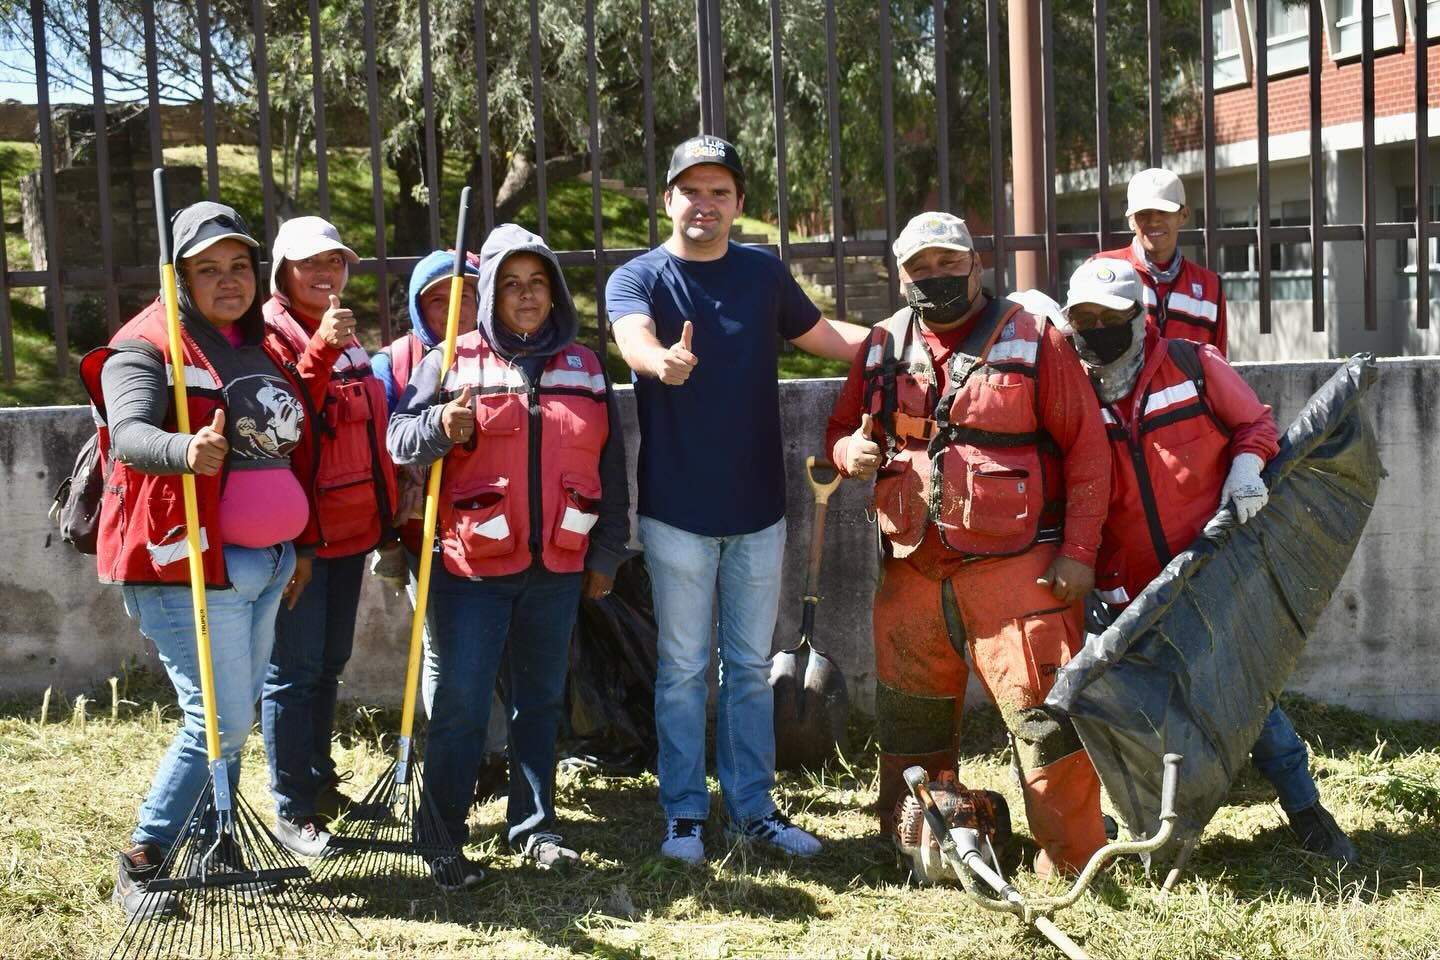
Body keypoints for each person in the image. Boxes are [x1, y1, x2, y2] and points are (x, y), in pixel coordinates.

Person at [606, 134, 869, 865]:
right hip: (676, 514)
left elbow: (823, 337)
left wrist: (898, 339)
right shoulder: (637, 277)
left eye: (720, 192)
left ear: (740, 205)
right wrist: (664, 361)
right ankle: (685, 815)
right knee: (684, 668)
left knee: (750, 669)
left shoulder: (762, 274)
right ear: (669, 200)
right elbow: (633, 342)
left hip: (759, 512)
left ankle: (754, 808)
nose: (705, 204)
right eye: (692, 190)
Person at [826, 211, 1111, 878]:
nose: (936, 278)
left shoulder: (1035, 335)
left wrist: (1078, 553)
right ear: (901, 277)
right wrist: (849, 451)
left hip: (1020, 572)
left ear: (976, 264)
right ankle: (915, 843)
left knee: (1045, 726)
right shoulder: (880, 345)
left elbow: (1088, 452)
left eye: (948, 264)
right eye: (920, 268)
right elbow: (838, 431)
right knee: (909, 725)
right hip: (912, 573)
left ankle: (1072, 860)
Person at [1055, 257, 1357, 865]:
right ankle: (1141, 832)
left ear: (1139, 319)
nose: (1097, 329)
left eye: (1111, 318)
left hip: (1213, 574)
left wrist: (1248, 467)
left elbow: (1255, 425)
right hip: (1128, 591)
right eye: (1084, 318)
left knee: (1251, 698)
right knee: (1133, 716)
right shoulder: (1070, 390)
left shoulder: (1193, 366)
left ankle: (1306, 810)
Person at [84, 202, 314, 916]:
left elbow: (278, 445)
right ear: (177, 277)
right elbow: (127, 433)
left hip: (261, 565)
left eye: (239, 265)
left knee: (235, 710)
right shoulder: (146, 346)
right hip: (185, 564)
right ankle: (143, 859)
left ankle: (219, 845)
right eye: (207, 269)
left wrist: (295, 545)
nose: (227, 280)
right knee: (214, 720)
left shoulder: (255, 344)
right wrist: (184, 450)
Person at [387, 223, 629, 890]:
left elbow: (611, 467)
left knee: (541, 702)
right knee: (463, 704)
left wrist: (607, 550)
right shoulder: (449, 360)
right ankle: (440, 835)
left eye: (538, 283)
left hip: (556, 568)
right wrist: (439, 424)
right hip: (469, 571)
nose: (526, 296)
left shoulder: (586, 366)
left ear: (554, 292)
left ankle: (535, 827)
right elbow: (400, 438)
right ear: (490, 294)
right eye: (511, 285)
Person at [258, 216, 398, 858]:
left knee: (328, 666)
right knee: (293, 673)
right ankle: (291, 807)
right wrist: (316, 348)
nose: (327, 273)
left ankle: (316, 781)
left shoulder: (349, 337)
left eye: (336, 262)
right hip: (299, 537)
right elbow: (286, 424)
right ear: (283, 272)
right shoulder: (270, 340)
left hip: (351, 533)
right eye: (311, 263)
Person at [371, 248, 510, 800]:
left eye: (470, 297)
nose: (456, 311)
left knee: (492, 653)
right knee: (443, 651)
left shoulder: (501, 356)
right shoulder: (398, 364)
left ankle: (496, 750)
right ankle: (468, 758)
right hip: (421, 534)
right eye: (438, 301)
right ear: (416, 306)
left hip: (495, 534)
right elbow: (384, 452)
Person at [1094, 167, 1227, 353]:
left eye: (1164, 211)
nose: (1154, 221)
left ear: (1184, 216)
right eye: (1143, 213)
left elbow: (1217, 364)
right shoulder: (1101, 270)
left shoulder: (1210, 286)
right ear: (1131, 220)